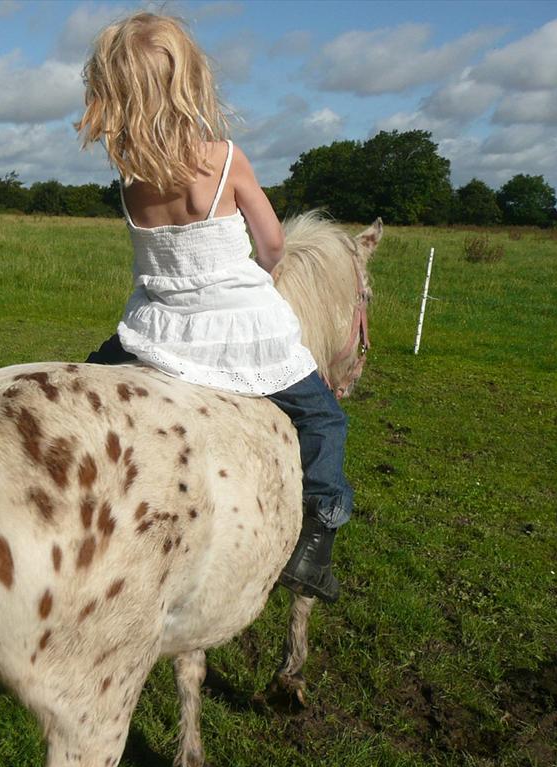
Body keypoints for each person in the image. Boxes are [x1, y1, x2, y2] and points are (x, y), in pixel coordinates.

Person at [76, 11, 351, 603]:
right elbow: (273, 244)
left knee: (86, 381)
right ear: (188, 81)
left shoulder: (131, 177)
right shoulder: (224, 158)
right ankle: (315, 544)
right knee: (324, 419)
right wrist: (268, 269)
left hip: (156, 324)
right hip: (239, 324)